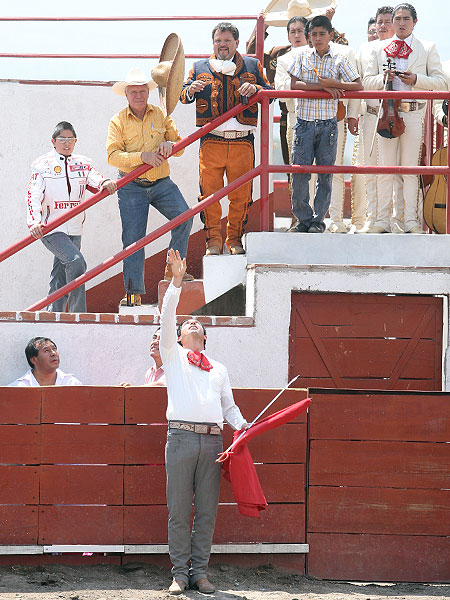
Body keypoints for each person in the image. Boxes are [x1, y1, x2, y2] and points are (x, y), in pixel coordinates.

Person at [160, 248, 248, 595]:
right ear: (178, 337)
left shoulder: (219, 368)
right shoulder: (173, 356)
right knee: (180, 510)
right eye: (186, 324)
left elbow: (229, 407)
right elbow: (167, 317)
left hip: (213, 441)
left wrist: (242, 426)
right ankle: (180, 574)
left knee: (207, 512)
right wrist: (177, 281)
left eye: (198, 323)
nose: (191, 322)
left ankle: (200, 574)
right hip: (181, 437)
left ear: (205, 338)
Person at [180, 22, 272, 256]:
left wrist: (256, 90)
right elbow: (182, 95)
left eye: (227, 41)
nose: (222, 45)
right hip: (212, 140)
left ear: (236, 43)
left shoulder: (253, 65)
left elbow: (270, 95)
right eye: (218, 41)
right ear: (213, 43)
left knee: (241, 196)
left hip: (243, 140)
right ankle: (212, 240)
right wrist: (191, 90)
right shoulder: (199, 66)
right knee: (208, 196)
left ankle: (234, 240)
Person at [107, 61, 193, 308]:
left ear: (148, 92)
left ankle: (171, 268)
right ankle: (133, 294)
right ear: (126, 94)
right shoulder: (117, 121)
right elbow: (112, 156)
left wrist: (171, 145)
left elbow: (180, 146)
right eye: (133, 91)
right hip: (131, 185)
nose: (138, 95)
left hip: (161, 182)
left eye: (142, 90)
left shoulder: (162, 114)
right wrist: (142, 157)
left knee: (184, 217)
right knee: (133, 239)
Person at [363, 3, 446, 233]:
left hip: (412, 113)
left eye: (406, 19)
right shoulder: (379, 49)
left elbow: (441, 82)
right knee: (385, 168)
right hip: (386, 114)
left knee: (410, 169)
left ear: (414, 22)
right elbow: (366, 81)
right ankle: (382, 220)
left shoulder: (427, 47)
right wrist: (383, 78)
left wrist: (417, 79)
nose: (400, 23)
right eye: (397, 18)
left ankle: (410, 221)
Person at [27, 122, 116, 313]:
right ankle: (78, 315)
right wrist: (35, 221)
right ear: (53, 141)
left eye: (71, 139)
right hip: (51, 229)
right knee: (76, 262)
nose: (67, 144)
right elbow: (33, 195)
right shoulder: (42, 165)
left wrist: (105, 181)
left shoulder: (82, 163)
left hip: (75, 228)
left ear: (75, 141)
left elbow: (94, 179)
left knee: (60, 275)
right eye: (62, 139)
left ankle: (53, 314)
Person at [288, 15, 362, 233]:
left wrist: (334, 84)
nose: (318, 38)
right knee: (300, 173)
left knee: (325, 174)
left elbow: (357, 85)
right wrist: (323, 89)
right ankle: (303, 219)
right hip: (304, 123)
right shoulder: (302, 56)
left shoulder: (339, 59)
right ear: (308, 36)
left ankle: (319, 220)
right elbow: (294, 84)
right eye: (314, 34)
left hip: (328, 124)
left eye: (322, 34)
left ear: (331, 35)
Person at [347, 6, 395, 233]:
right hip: (370, 115)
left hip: (394, 117)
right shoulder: (364, 49)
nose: (383, 25)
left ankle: (388, 218)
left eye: (388, 21)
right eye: (380, 21)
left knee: (390, 170)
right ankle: (371, 216)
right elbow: (359, 85)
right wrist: (352, 114)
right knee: (368, 169)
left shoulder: (400, 47)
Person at [275, 16, 309, 167]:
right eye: (292, 31)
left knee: (321, 170)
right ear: (288, 36)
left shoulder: (321, 55)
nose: (296, 35)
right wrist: (301, 82)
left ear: (308, 32)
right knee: (296, 168)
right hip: (294, 115)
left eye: (300, 31)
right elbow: (281, 93)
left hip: (322, 116)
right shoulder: (283, 60)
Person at [9, 337, 82, 387]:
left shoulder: (72, 384)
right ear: (34, 360)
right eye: (46, 350)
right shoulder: (19, 387)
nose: (53, 353)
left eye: (54, 349)